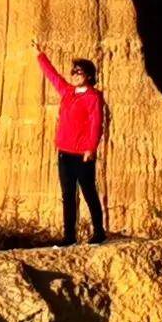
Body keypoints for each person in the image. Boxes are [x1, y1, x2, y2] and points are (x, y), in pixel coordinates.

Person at [33, 45, 111, 243]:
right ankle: (69, 237)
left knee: (88, 193)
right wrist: (40, 56)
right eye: (73, 71)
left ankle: (99, 233)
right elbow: (53, 76)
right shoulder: (68, 92)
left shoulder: (93, 97)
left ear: (89, 76)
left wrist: (91, 148)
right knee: (67, 195)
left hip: (82, 153)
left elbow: (96, 125)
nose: (75, 75)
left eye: (79, 72)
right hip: (64, 152)